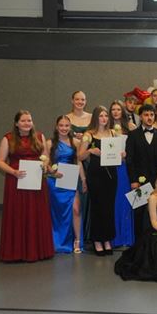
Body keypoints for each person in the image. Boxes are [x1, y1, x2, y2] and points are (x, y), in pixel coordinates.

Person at [0, 110, 55, 262]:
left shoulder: (39, 136)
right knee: (17, 213)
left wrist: (45, 164)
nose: (27, 123)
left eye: (29, 120)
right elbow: (0, 161)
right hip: (16, 180)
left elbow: (46, 157)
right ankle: (16, 252)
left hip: (36, 180)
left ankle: (38, 250)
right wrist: (13, 172)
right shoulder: (8, 138)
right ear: (16, 123)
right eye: (23, 121)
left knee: (36, 213)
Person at [78, 106, 118, 256]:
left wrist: (122, 153)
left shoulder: (113, 133)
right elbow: (80, 156)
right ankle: (97, 240)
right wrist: (90, 151)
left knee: (109, 208)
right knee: (97, 208)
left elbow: (120, 155)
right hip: (95, 175)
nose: (104, 118)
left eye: (106, 116)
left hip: (111, 175)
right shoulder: (89, 134)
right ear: (96, 117)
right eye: (101, 116)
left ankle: (107, 239)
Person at [126, 104, 157, 241]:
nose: (149, 118)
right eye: (146, 115)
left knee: (156, 211)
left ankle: (155, 242)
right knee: (140, 213)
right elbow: (130, 160)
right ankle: (139, 244)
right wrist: (133, 180)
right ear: (141, 117)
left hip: (156, 181)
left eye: (151, 115)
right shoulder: (133, 135)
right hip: (139, 181)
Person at [47, 115, 86, 254]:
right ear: (57, 127)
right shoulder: (50, 143)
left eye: (66, 126)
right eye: (61, 125)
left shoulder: (75, 142)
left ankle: (77, 240)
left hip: (71, 180)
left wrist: (83, 179)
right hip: (54, 182)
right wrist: (51, 170)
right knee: (56, 213)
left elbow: (79, 161)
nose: (64, 128)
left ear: (70, 127)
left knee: (76, 209)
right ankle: (56, 240)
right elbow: (46, 163)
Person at [109, 100, 136, 248]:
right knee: (113, 203)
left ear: (123, 111)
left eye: (118, 109)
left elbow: (136, 149)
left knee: (125, 202)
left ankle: (126, 237)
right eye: (113, 109)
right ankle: (114, 238)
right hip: (110, 169)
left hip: (125, 169)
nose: (115, 112)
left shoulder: (131, 128)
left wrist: (128, 154)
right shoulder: (106, 128)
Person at [67, 91, 92, 240]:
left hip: (89, 161)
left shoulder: (91, 118)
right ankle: (74, 234)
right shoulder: (67, 118)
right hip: (73, 162)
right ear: (72, 100)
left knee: (89, 197)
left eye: (82, 99)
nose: (80, 102)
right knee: (74, 199)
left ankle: (88, 234)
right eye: (77, 99)